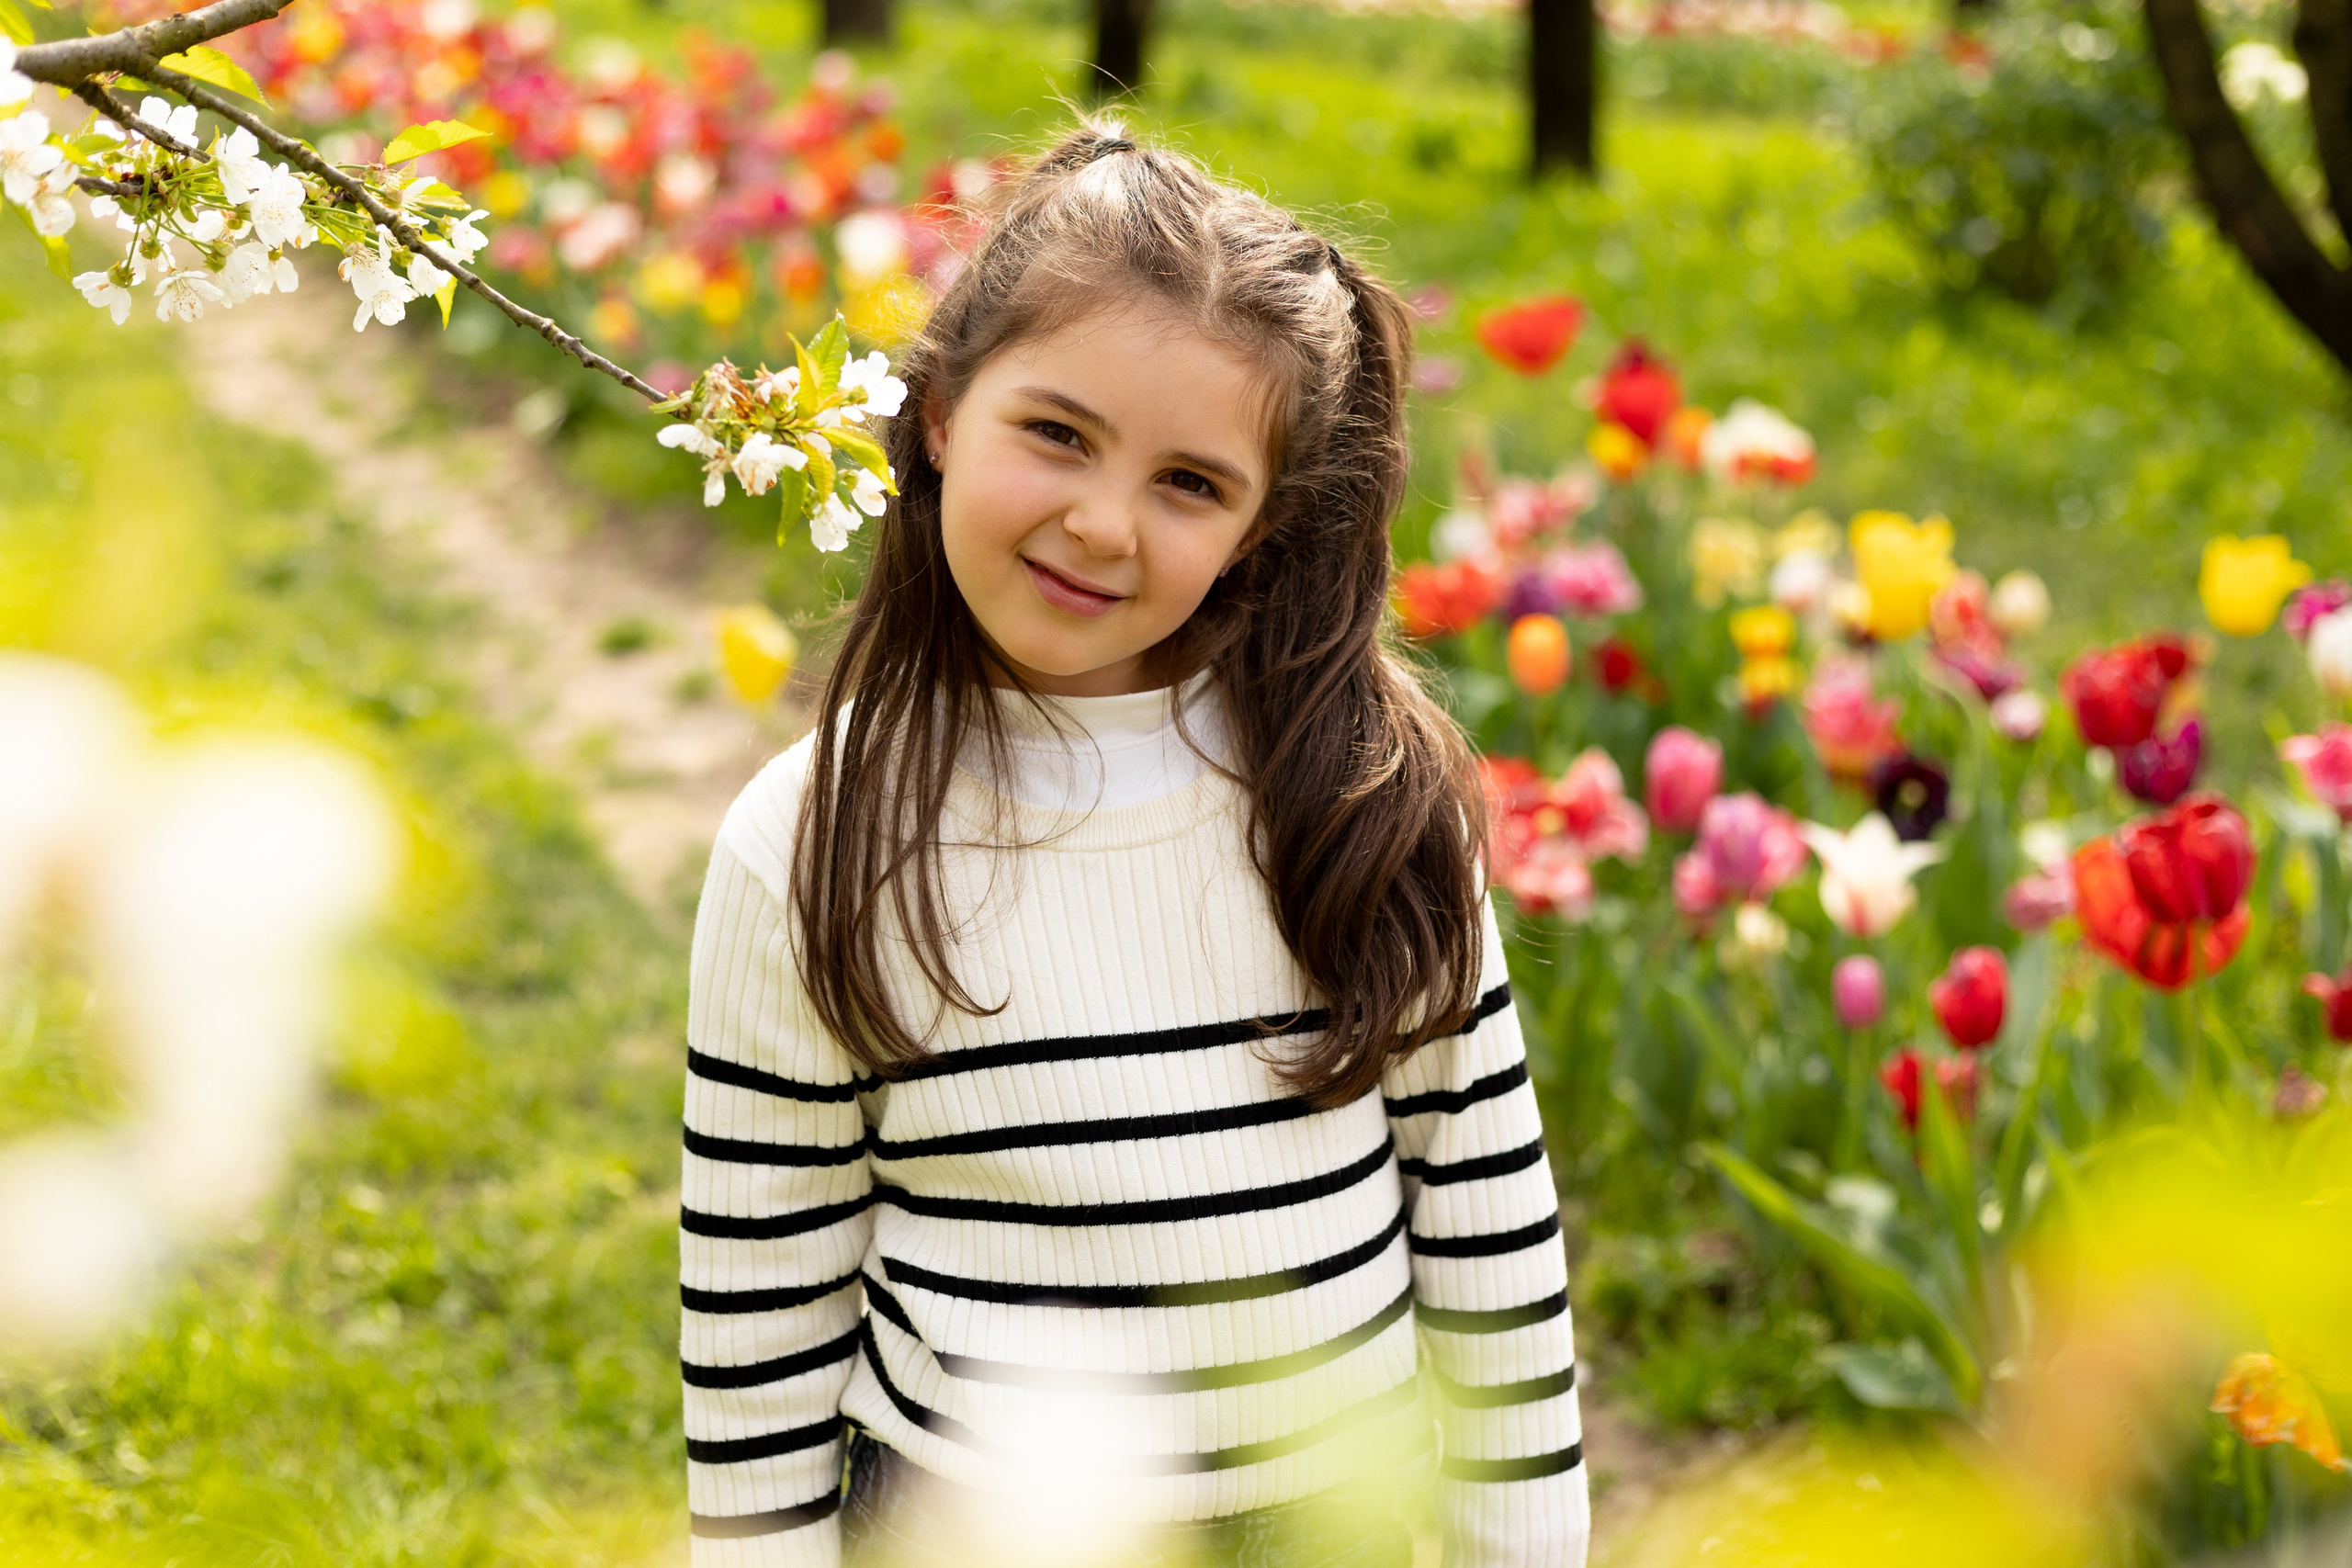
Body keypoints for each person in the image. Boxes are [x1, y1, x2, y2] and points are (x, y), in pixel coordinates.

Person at [679, 120, 1588, 1568]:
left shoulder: (1364, 797)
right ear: (938, 414)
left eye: (1190, 483)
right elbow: (760, 1330)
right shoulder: (810, 839)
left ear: (1260, 527)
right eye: (1057, 434)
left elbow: (1491, 1255)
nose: (1103, 525)